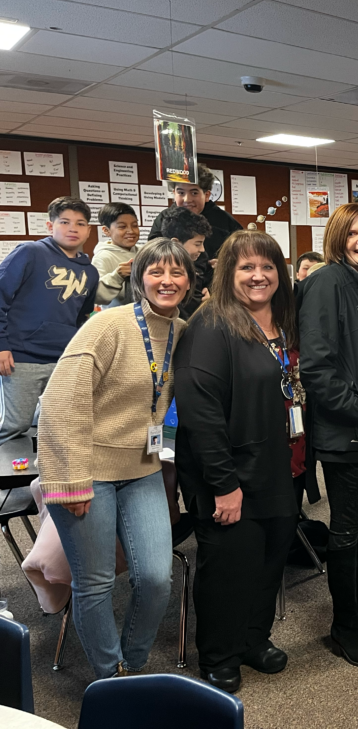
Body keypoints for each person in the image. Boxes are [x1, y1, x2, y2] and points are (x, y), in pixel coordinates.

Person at [37, 238, 194, 679]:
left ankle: (133, 664)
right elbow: (60, 403)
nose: (167, 281)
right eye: (156, 271)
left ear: (189, 281)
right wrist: (70, 481)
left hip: (142, 469)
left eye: (177, 272)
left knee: (156, 580)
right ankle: (112, 677)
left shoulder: (182, 331)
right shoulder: (108, 326)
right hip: (87, 473)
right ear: (139, 276)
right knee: (96, 583)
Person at [173, 231, 300, 694]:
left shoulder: (282, 319)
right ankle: (219, 654)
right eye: (247, 267)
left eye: (267, 266)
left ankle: (252, 639)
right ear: (228, 273)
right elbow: (201, 414)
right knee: (229, 566)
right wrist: (224, 485)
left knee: (268, 561)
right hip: (227, 475)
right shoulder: (211, 325)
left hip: (276, 467)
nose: (258, 275)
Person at [298, 203, 358, 668]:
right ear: (337, 238)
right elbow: (316, 365)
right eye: (354, 233)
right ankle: (343, 628)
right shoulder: (326, 283)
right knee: (345, 531)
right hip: (348, 432)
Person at [0, 196, 98, 444]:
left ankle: (36, 480)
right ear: (49, 225)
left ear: (89, 230)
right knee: (15, 424)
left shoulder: (90, 272)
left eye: (80, 223)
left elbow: (81, 318)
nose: (72, 228)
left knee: (53, 425)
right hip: (20, 356)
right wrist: (2, 345)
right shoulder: (30, 253)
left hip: (61, 359)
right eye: (64, 222)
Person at [158, 205, 213, 320]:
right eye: (197, 244)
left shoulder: (201, 258)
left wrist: (210, 296)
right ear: (176, 243)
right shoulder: (156, 267)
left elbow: (208, 281)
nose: (202, 249)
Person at [92, 202, 141, 307]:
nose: (131, 231)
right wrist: (117, 276)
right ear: (106, 230)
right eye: (122, 227)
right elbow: (96, 296)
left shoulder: (143, 252)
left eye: (135, 225)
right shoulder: (103, 257)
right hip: (119, 318)